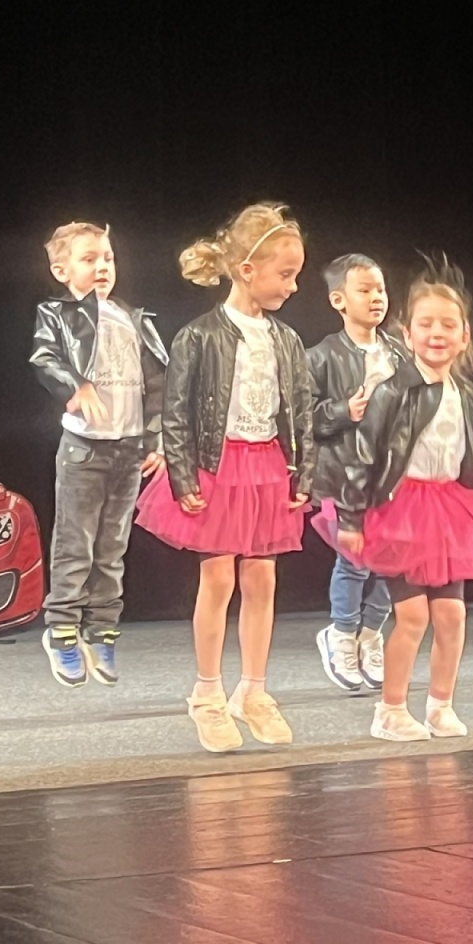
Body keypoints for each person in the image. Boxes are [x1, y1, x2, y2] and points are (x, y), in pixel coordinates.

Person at [318, 256, 473, 742]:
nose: (437, 333)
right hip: (400, 510)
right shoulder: (392, 391)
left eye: (448, 325)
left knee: (453, 615)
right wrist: (351, 518)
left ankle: (440, 705)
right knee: (413, 616)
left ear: (464, 336)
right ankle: (390, 709)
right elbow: (362, 454)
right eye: (426, 324)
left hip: (448, 511)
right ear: (408, 333)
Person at [135, 203, 315, 752]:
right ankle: (207, 692)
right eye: (285, 274)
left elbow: (301, 410)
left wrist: (303, 471)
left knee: (263, 580)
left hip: (268, 466)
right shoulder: (199, 336)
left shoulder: (287, 340)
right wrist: (182, 474)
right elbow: (176, 411)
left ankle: (253, 690)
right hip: (218, 466)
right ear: (247, 270)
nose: (293, 285)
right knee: (218, 579)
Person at [30, 221, 168, 688]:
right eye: (89, 259)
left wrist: (156, 440)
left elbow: (157, 385)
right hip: (85, 449)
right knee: (76, 545)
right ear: (61, 270)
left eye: (107, 257)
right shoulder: (57, 313)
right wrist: (76, 385)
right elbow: (45, 358)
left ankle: (102, 631)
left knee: (112, 550)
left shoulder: (133, 318)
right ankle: (62, 632)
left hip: (128, 449)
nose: (102, 266)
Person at [307, 252, 405, 694]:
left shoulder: (400, 352)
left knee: (391, 563)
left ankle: (370, 634)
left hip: (393, 477)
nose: (376, 297)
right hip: (344, 476)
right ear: (339, 300)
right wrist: (342, 410)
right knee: (354, 559)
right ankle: (342, 635)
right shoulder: (321, 357)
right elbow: (302, 417)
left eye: (380, 289)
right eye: (364, 290)